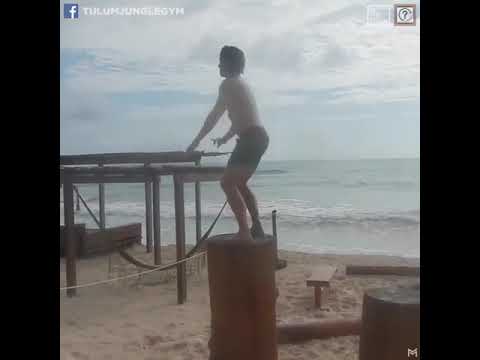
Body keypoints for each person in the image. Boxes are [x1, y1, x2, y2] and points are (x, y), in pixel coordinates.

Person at [186, 45, 269, 241]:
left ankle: (244, 232)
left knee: (226, 183)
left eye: (221, 61)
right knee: (239, 183)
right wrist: (225, 138)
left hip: (250, 139)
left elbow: (214, 116)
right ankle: (256, 227)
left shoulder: (227, 85)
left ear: (230, 64)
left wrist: (196, 141)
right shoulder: (241, 84)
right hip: (259, 137)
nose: (218, 65)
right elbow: (242, 119)